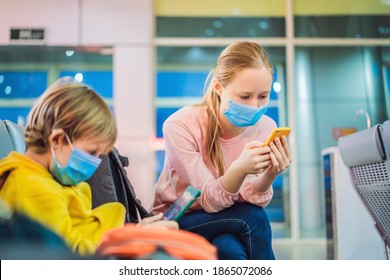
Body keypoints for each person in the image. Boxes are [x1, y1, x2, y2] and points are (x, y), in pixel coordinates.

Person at [0, 78, 177, 257]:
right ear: (57, 140)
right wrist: (131, 239)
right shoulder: (33, 188)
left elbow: (81, 232)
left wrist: (135, 232)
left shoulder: (54, 181)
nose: (96, 162)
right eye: (91, 152)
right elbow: (67, 256)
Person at [153, 41, 292, 260]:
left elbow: (252, 197)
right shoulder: (180, 126)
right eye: (245, 96)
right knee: (252, 218)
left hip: (230, 218)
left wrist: (270, 174)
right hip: (177, 219)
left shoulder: (266, 127)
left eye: (263, 96)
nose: (255, 106)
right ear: (218, 87)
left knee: (227, 247)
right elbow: (209, 200)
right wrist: (239, 169)